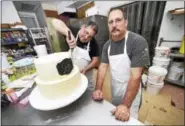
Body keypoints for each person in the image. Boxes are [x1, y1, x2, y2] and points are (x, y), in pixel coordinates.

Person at [92, 7, 150, 121]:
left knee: (129, 118)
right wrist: (98, 89)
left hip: (132, 89)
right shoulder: (107, 46)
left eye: (118, 20)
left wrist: (126, 105)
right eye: (111, 22)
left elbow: (136, 76)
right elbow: (102, 67)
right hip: (115, 87)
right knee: (115, 116)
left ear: (126, 22)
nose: (114, 25)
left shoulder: (138, 42)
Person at [52, 19, 100, 90]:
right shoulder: (72, 31)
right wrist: (68, 33)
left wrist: (86, 69)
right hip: (70, 76)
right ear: (83, 27)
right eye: (86, 32)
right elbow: (54, 22)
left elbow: (96, 60)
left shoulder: (94, 43)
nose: (86, 37)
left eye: (90, 36)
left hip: (85, 76)